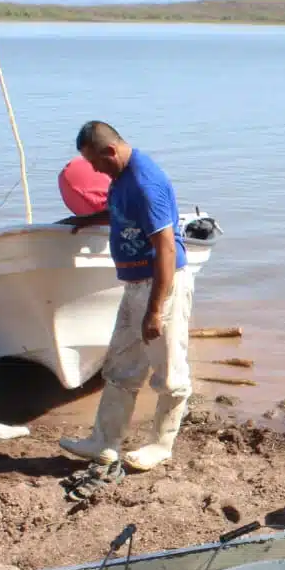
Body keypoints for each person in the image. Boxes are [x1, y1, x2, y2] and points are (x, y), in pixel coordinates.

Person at [59, 121, 193, 473]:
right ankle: (105, 442)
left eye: (96, 163)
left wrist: (155, 310)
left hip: (163, 285)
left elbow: (165, 248)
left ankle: (161, 445)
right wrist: (90, 220)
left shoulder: (145, 182)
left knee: (169, 372)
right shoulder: (121, 178)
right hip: (135, 285)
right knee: (119, 367)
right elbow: (123, 213)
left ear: (111, 151)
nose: (95, 171)